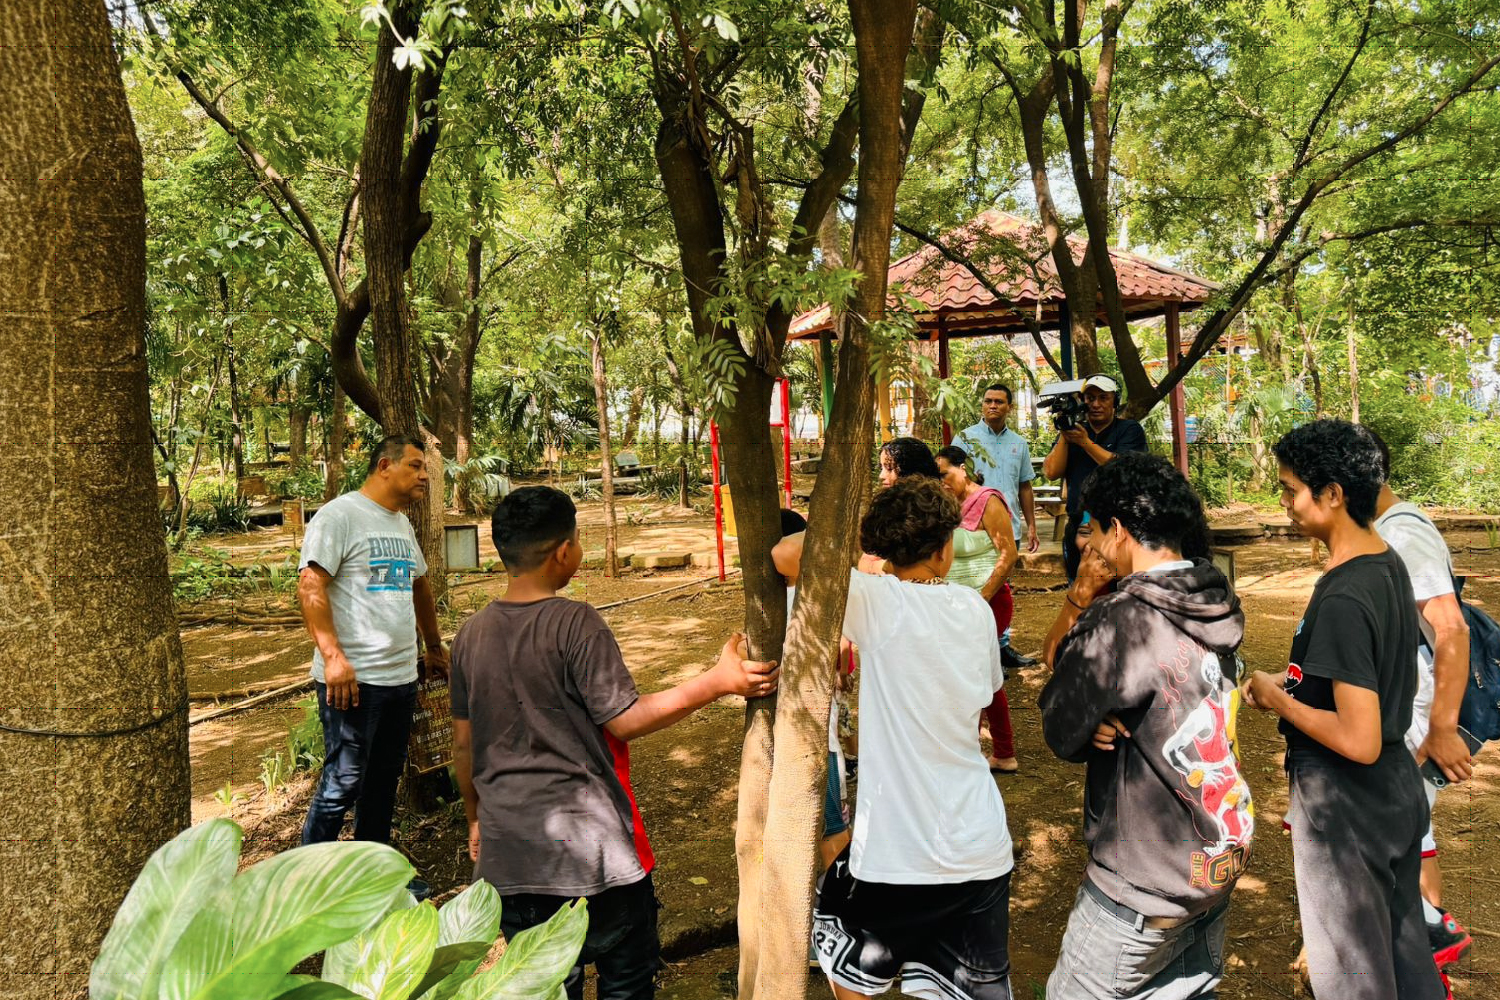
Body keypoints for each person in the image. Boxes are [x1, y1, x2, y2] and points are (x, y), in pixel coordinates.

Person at [449, 486, 778, 1000]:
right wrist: (717, 682)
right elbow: (624, 720)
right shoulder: (575, 623)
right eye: (578, 541)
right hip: (593, 860)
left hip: (509, 857)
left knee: (548, 984)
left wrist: (475, 818)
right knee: (626, 981)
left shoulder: (469, 634)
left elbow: (463, 746)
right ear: (563, 551)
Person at [776, 476, 1016, 1000]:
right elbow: (984, 693)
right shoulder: (974, 608)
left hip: (895, 851)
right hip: (978, 841)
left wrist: (867, 554)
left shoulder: (877, 600)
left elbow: (785, 552)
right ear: (942, 548)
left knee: (849, 968)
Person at [1242, 420, 1445, 1000]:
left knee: (1354, 974)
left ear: (1332, 494)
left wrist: (1280, 700)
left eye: (1288, 488)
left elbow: (1358, 736)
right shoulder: (1385, 564)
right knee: (1406, 952)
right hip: (1394, 795)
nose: (1282, 502)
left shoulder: (1345, 594)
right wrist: (1298, 681)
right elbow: (1368, 673)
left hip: (1348, 805)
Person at [1038, 453, 1251, 999]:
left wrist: (1089, 720)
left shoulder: (1122, 619)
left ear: (1120, 530)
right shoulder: (1212, 595)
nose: (1090, 544)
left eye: (1093, 529)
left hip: (1142, 883)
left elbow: (1061, 723)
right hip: (1211, 857)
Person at [297, 433, 448, 896]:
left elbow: (420, 585)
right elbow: (310, 584)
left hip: (401, 679)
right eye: (417, 466)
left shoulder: (400, 523)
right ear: (385, 466)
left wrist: (433, 646)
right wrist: (334, 657)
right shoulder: (340, 516)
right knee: (341, 785)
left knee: (381, 785)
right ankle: (306, 887)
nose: (425, 476)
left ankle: (375, 884)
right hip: (354, 683)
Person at [1367, 430, 1474, 969]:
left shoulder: (1404, 535)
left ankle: (1426, 955)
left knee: (1407, 832)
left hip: (1416, 711)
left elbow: (1451, 630)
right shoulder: (1383, 530)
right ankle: (1417, 953)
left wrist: (1443, 727)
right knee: (1412, 831)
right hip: (1404, 708)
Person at [936, 445, 1022, 773]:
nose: (941, 481)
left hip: (989, 602)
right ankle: (992, 750)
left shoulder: (988, 500)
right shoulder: (945, 504)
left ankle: (991, 751)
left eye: (945, 473)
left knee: (978, 676)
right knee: (975, 675)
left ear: (963, 468)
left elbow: (1009, 554)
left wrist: (981, 597)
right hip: (954, 605)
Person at [775, 507, 853, 871]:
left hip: (816, 738)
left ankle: (839, 899)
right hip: (814, 734)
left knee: (833, 830)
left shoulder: (804, 597)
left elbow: (840, 645)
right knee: (829, 824)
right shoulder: (811, 596)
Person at [957, 383, 1041, 670]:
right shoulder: (965, 439)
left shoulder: (1019, 443)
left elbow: (1025, 485)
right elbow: (951, 480)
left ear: (1010, 407)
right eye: (988, 401)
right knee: (976, 589)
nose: (992, 406)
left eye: (999, 402)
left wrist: (1031, 525)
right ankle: (977, 651)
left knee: (1002, 590)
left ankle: (1001, 647)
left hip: (1010, 529)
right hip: (974, 529)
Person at [1040, 373, 1147, 581]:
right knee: (1080, 584)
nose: (1096, 404)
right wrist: (1065, 432)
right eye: (1090, 398)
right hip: (1080, 522)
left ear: (1115, 402)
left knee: (1120, 586)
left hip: (1118, 523)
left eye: (1103, 398)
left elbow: (1123, 467)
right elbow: (1051, 472)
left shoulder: (1128, 429)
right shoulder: (1075, 432)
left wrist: (1085, 443)